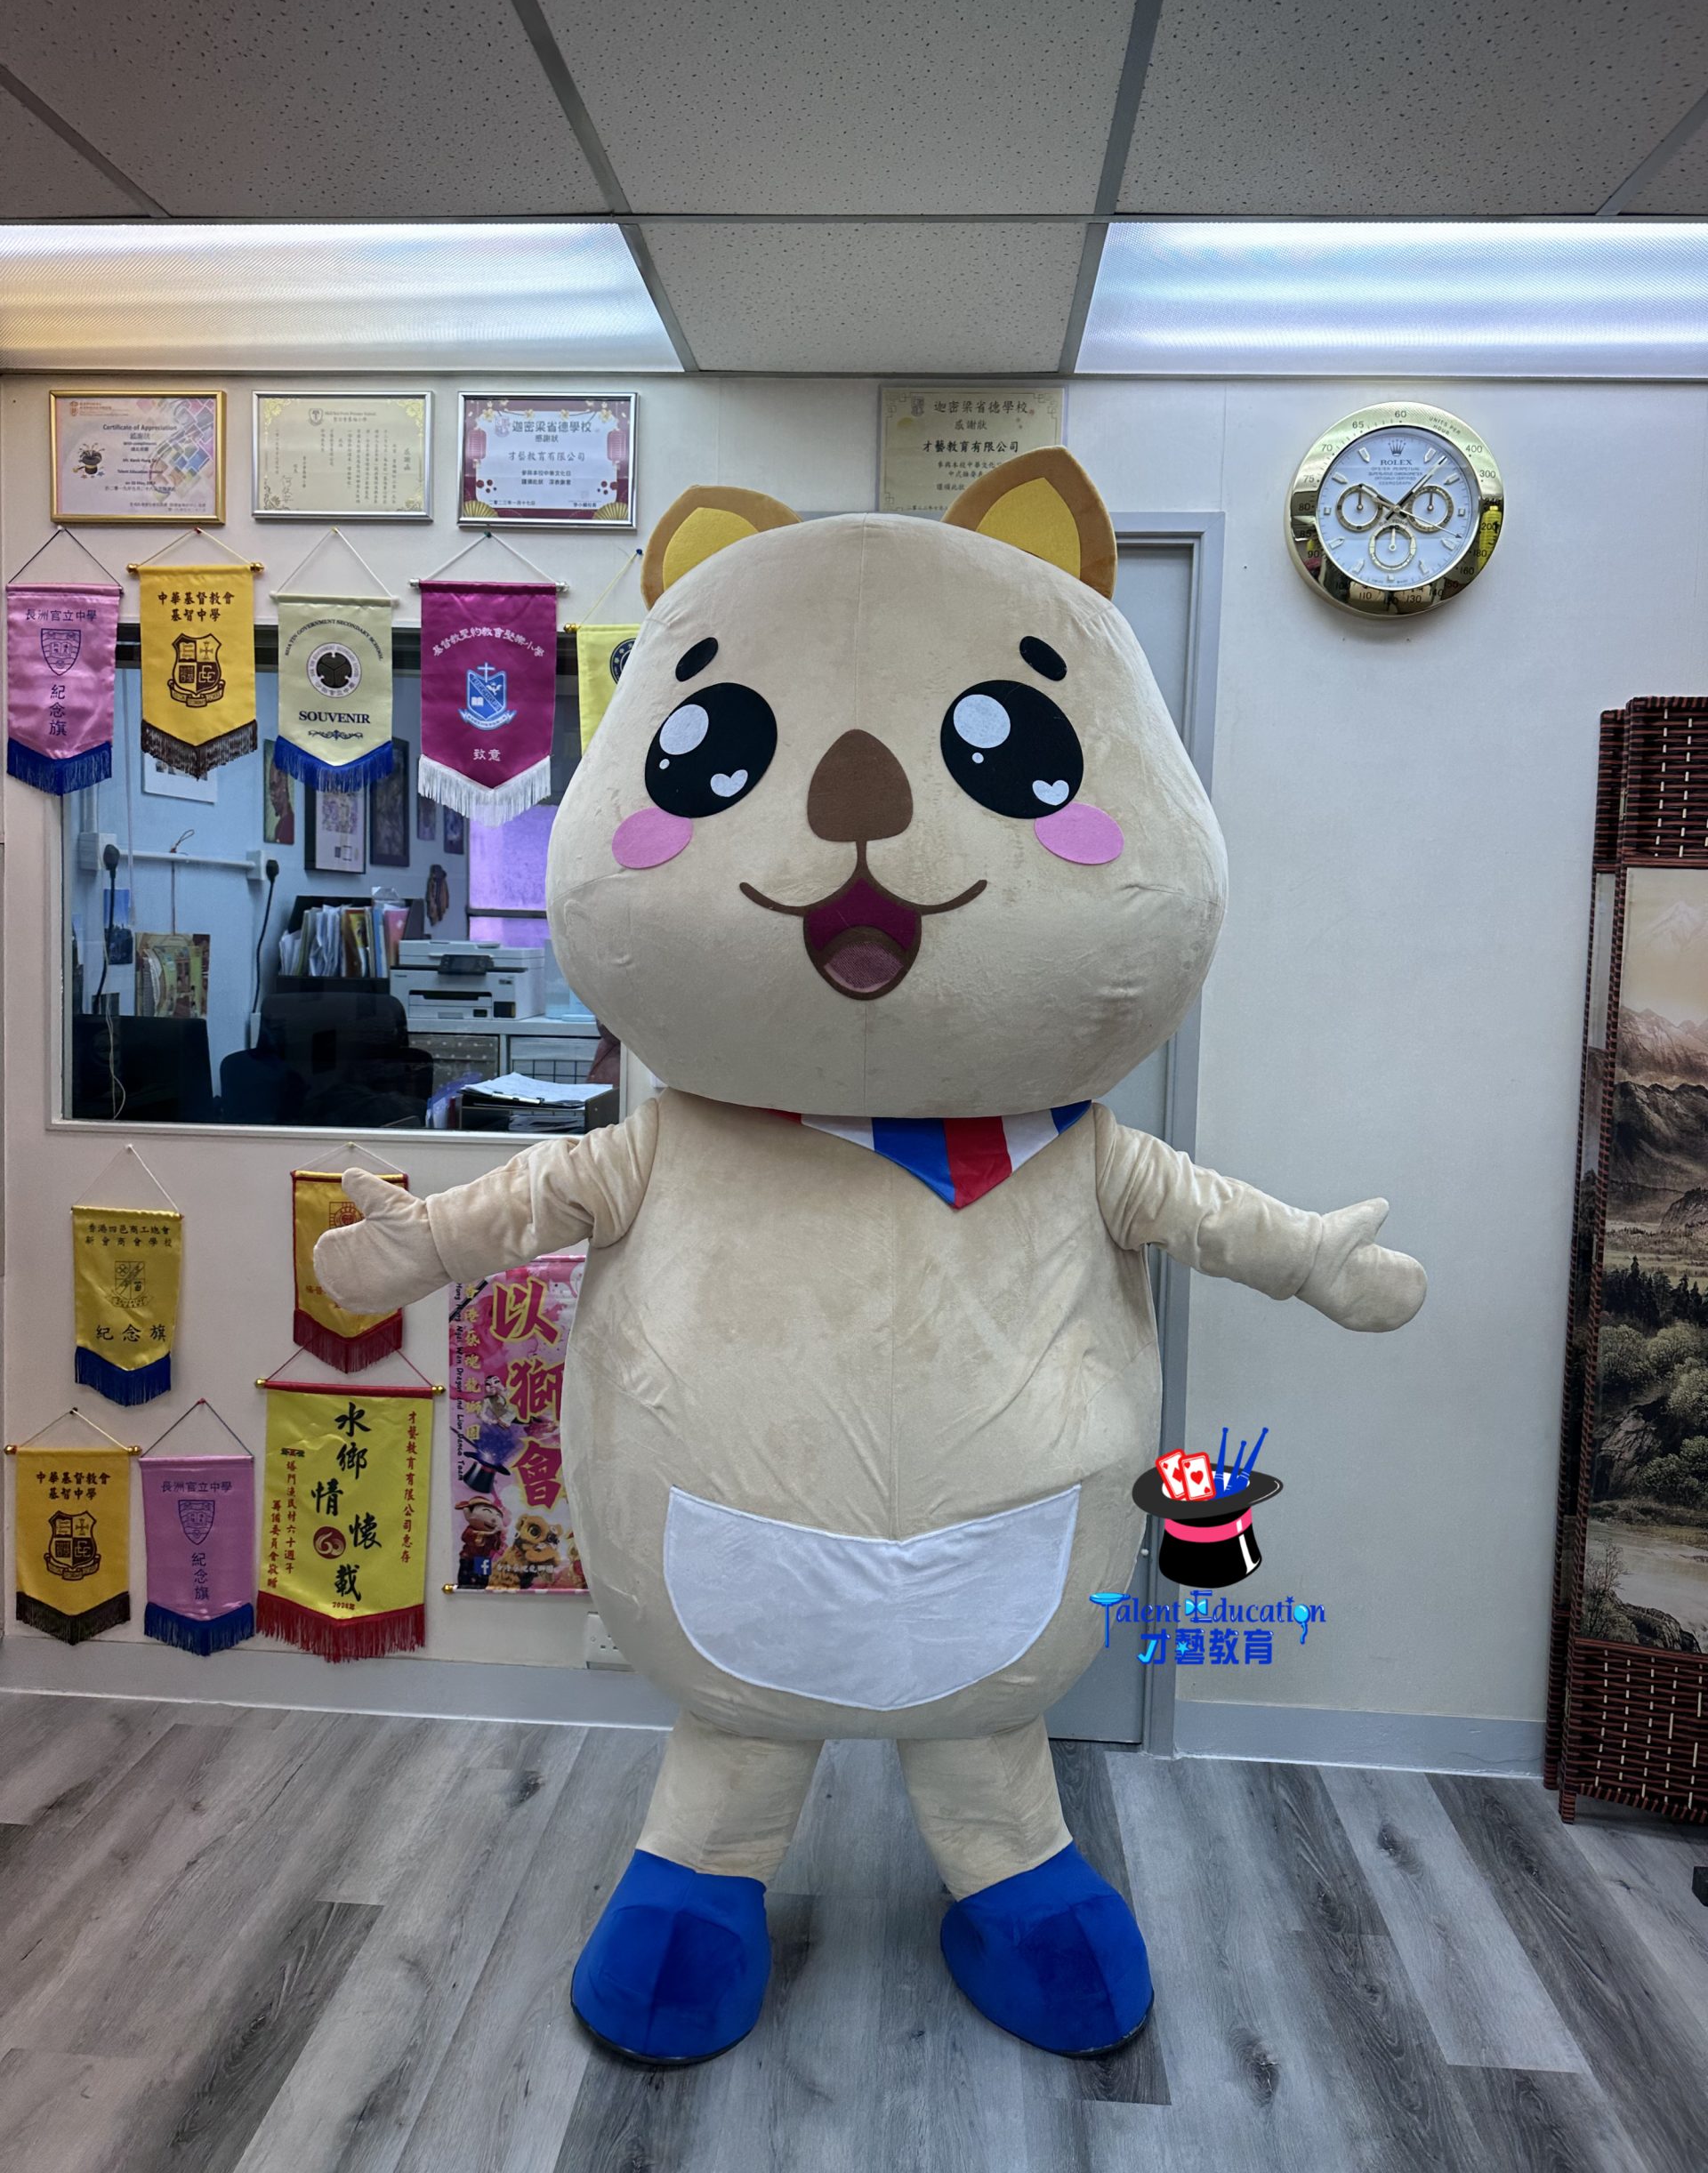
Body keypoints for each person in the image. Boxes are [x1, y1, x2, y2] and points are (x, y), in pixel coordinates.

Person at [318, 451, 1425, 2067]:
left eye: (1010, 752)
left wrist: (1315, 1260)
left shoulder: (1072, 1150)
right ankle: (706, 1871)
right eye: (713, 754)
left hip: (1002, 1563)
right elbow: (525, 1202)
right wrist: (412, 1247)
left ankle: (1010, 1869)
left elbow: (1208, 1214)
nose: (859, 818)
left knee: (988, 1755)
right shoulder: (673, 1139)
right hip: (730, 1571)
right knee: (736, 1748)